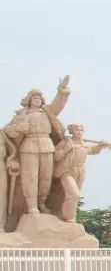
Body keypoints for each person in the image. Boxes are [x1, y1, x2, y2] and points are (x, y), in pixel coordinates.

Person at [3, 76, 70, 218]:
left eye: (40, 98)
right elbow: (7, 130)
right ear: (29, 100)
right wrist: (18, 128)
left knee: (46, 178)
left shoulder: (47, 111)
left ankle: (41, 202)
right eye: (35, 98)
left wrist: (62, 90)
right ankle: (32, 206)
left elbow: (58, 104)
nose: (38, 100)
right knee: (30, 178)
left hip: (46, 145)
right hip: (29, 146)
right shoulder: (21, 115)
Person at [52, 124, 105, 222]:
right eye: (77, 130)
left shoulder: (83, 144)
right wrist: (65, 150)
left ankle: (66, 215)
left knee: (75, 196)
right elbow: (55, 156)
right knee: (74, 194)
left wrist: (100, 146)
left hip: (80, 171)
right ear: (72, 132)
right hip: (67, 171)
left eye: (81, 130)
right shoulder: (66, 142)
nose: (79, 132)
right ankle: (70, 216)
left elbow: (93, 150)